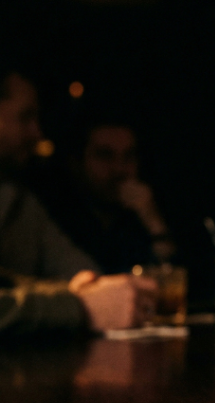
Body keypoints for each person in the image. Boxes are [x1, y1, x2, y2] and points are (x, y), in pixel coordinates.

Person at [0, 65, 157, 336]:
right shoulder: (56, 201)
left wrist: (90, 293)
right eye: (26, 118)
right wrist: (80, 307)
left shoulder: (19, 200)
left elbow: (83, 275)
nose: (37, 134)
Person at [45, 118, 176, 274]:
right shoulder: (55, 218)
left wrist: (154, 223)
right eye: (105, 155)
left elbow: (174, 278)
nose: (119, 169)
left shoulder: (139, 217)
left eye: (128, 156)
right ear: (76, 163)